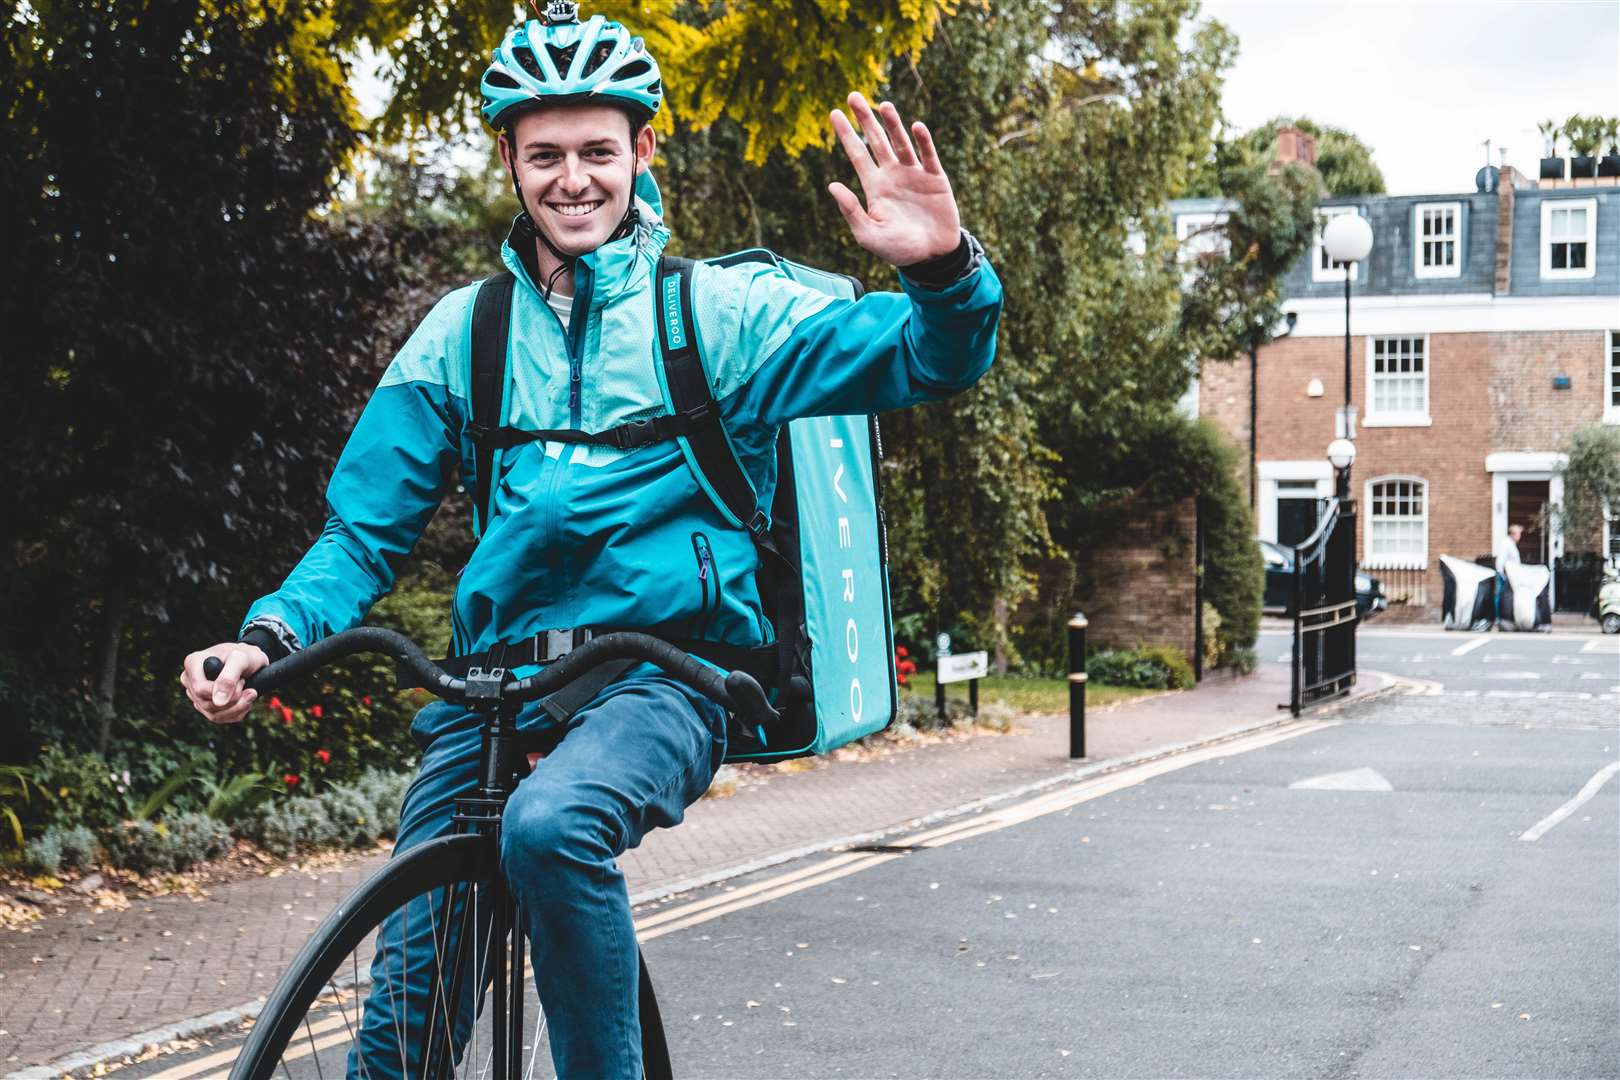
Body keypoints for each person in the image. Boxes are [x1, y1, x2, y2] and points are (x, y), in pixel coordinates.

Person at [178, 3, 1001, 1076]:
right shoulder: (463, 335)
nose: (575, 180)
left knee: (551, 828)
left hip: (661, 681)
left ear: (642, 151)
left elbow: (930, 360)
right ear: (511, 162)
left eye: (599, 152)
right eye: (547, 154)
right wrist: (270, 634)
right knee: (398, 1037)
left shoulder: (720, 315)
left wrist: (940, 269)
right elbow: (360, 533)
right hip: (491, 688)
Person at [1495, 522, 1524, 627]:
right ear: (1513, 534)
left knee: (1504, 596)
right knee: (1500, 596)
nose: (1520, 536)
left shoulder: (1510, 544)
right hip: (1506, 575)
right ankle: (1498, 618)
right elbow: (1500, 561)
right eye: (1519, 534)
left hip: (1511, 575)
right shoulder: (1506, 544)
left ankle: (1503, 617)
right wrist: (1503, 575)